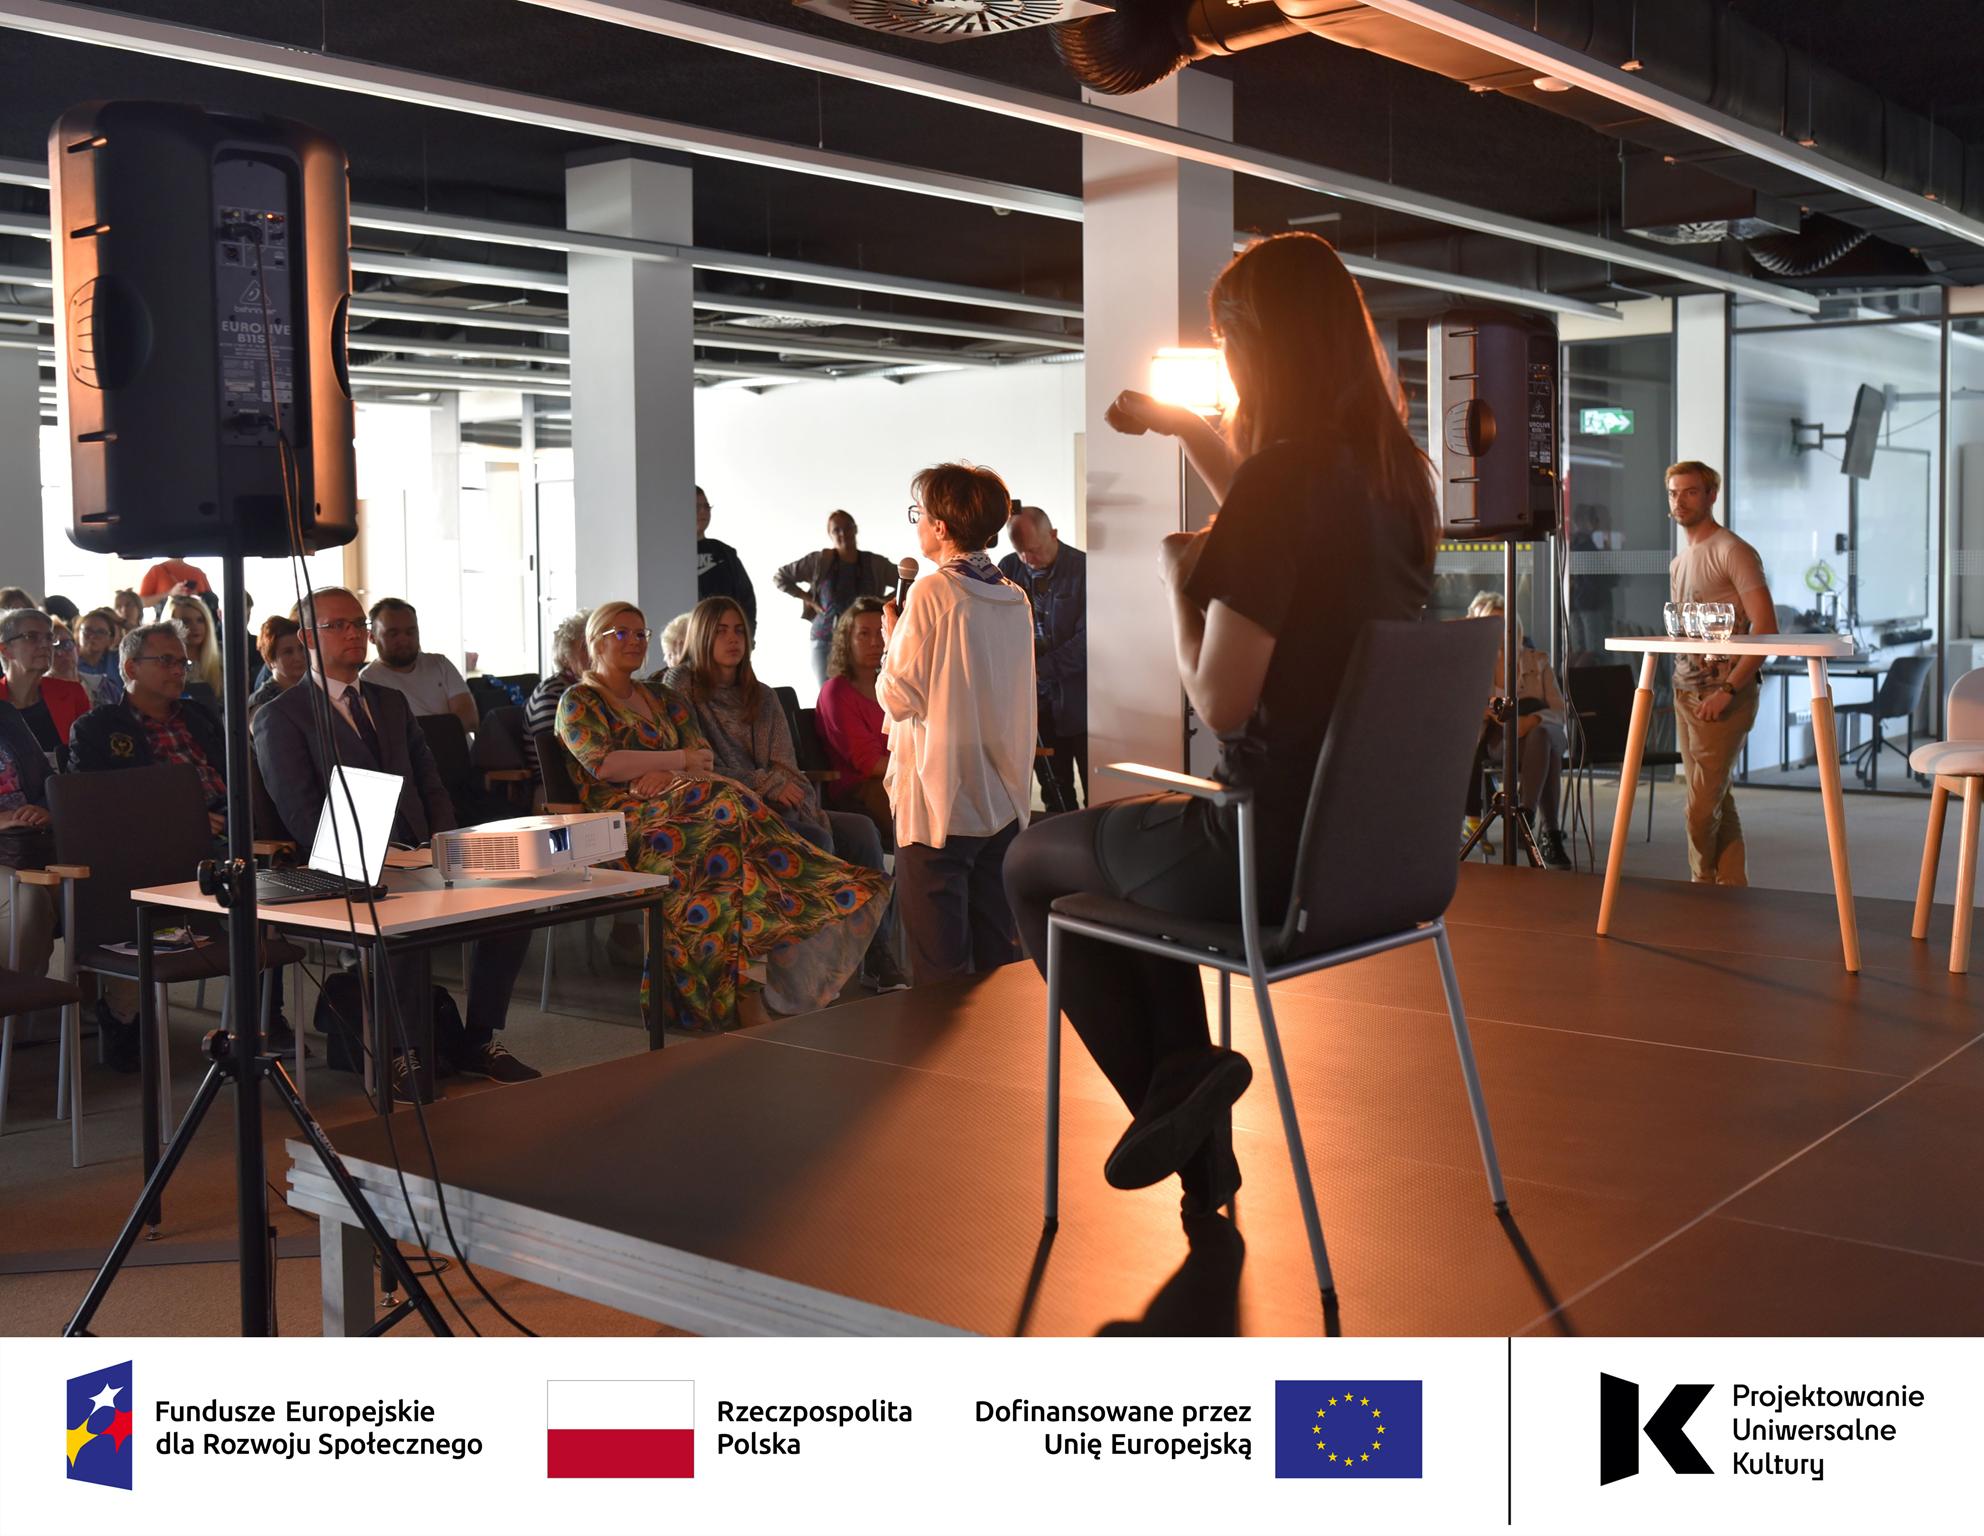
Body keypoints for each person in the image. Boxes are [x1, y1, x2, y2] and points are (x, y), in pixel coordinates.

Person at [1006, 232, 1441, 1219]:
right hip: (1371, 860)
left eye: (1226, 341)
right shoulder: (1396, 478)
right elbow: (1267, 507)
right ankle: (1194, 1127)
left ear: (1257, 344)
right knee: (1128, 882)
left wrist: (1177, 582)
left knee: (1035, 864)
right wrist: (1182, 427)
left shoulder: (1288, 479)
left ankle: (1185, 1097)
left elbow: (1220, 702)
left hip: (1263, 852)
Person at [556, 601, 889, 1030]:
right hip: (624, 824)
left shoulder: (662, 698)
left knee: (733, 842)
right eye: (621, 633)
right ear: (595, 641)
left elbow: (703, 760)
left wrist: (668, 771)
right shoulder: (579, 701)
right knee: (729, 819)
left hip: (689, 808)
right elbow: (604, 764)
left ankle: (746, 992)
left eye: (641, 633)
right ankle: (812, 907)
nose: (635, 641)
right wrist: (674, 761)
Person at [256, 587, 537, 1086]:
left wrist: (441, 845)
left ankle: (477, 1038)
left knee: (513, 909)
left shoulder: (389, 701)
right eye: (338, 625)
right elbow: (301, 811)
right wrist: (374, 859)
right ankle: (401, 1051)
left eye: (359, 624)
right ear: (308, 638)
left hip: (418, 853)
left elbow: (430, 780)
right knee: (401, 920)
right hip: (344, 865)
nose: (354, 634)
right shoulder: (281, 715)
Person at [662, 596, 909, 995]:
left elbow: (787, 768)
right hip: (727, 812)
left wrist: (780, 788)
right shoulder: (681, 689)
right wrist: (766, 784)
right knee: (817, 839)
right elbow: (698, 768)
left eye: (739, 630)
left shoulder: (761, 694)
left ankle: (876, 955)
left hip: (781, 805)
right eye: (721, 631)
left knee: (861, 831)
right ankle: (811, 968)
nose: (733, 639)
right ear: (701, 635)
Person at [880, 464, 1036, 986]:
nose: (918, 525)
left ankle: (945, 1044)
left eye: (920, 514)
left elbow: (899, 696)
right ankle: (1000, 1042)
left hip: (940, 800)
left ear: (942, 526)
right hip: (1001, 796)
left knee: (940, 971)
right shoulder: (1013, 596)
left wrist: (892, 641)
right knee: (996, 961)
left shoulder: (933, 593)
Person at [1666, 459, 1776, 886]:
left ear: (1712, 495)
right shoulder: (1679, 562)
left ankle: (1702, 885)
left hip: (1723, 694)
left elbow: (1765, 628)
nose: (1680, 501)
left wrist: (1729, 688)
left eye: (1691, 492)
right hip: (1685, 692)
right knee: (1717, 801)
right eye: (1674, 493)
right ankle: (1731, 891)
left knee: (1699, 808)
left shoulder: (1732, 551)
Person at [1462, 591, 1571, 870]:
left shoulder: (1537, 660)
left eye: (1504, 623)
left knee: (1543, 737)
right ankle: (1549, 835)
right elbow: (1461, 711)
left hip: (1541, 732)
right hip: (1501, 741)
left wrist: (1531, 721)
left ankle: (1525, 814)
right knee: (1548, 753)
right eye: (1492, 624)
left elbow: (1559, 711)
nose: (1499, 630)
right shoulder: (1473, 664)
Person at [998, 505, 1088, 811]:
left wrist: (1039, 669)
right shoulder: (1008, 568)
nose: (1028, 559)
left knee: (1098, 793)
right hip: (1034, 705)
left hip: (1082, 701)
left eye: (1034, 550)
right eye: (1021, 551)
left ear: (1054, 534)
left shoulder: (1084, 569)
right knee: (1055, 795)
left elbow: (1089, 639)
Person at [776, 511, 917, 688]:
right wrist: (809, 599)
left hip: (867, 640)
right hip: (826, 639)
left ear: (855, 529)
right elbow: (781, 577)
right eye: (837, 530)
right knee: (830, 691)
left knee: (873, 692)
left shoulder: (874, 563)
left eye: (847, 528)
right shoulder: (820, 561)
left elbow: (906, 580)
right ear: (830, 534)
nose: (843, 533)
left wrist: (883, 604)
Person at [0, 698, 58, 1034]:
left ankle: (119, 1011)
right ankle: (12, 1013)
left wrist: (43, 808)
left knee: (107, 879)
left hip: (30, 845)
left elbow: (47, 779)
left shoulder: (6, 713)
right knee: (28, 899)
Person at [815, 597, 893, 846]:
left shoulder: (892, 688)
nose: (875, 642)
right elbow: (869, 764)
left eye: (880, 633)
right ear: (847, 640)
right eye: (864, 634)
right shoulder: (836, 691)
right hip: (860, 792)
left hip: (897, 780)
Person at [361, 598, 478, 733]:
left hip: (457, 746)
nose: (404, 640)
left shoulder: (440, 664)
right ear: (372, 637)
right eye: (393, 634)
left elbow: (470, 719)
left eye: (410, 632)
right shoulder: (367, 680)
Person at [0, 607, 90, 768]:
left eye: (49, 638)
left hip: (67, 782)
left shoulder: (72, 692)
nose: (45, 645)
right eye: (31, 637)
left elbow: (90, 754)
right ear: (6, 650)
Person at [524, 613, 588, 779]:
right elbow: (559, 758)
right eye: (585, 647)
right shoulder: (552, 693)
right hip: (557, 785)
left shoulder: (592, 689)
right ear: (565, 657)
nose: (595, 652)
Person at [694, 485, 757, 633]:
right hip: (688, 636)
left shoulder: (724, 553)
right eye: (696, 507)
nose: (703, 512)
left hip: (724, 637)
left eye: (706, 507)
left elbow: (746, 598)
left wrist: (747, 635)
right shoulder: (669, 553)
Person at [246, 615, 308, 722]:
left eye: (301, 648)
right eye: (288, 652)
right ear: (270, 660)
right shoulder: (262, 704)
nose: (298, 657)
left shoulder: (315, 691)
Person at [167, 593, 223, 699]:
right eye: (186, 621)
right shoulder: (160, 664)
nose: (195, 626)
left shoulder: (223, 660)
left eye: (200, 620)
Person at [75, 607, 126, 705]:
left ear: (111, 639)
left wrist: (123, 622)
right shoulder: (68, 660)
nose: (93, 636)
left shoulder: (118, 660)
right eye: (88, 630)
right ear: (77, 634)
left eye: (101, 632)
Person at [139, 557, 209, 599]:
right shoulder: (157, 570)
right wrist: (170, 594)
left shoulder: (198, 573)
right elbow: (142, 601)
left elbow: (211, 599)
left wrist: (196, 597)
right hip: (166, 619)